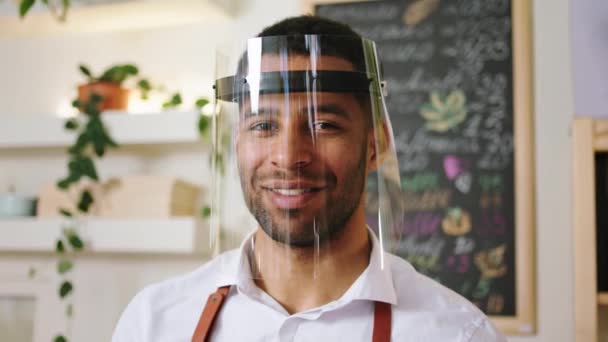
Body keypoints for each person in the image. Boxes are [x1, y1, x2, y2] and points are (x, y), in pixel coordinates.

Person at [112, 15, 506, 342]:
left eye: (323, 124)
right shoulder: (155, 322)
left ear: (375, 145)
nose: (288, 157)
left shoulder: (458, 334)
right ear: (237, 142)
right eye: (264, 125)